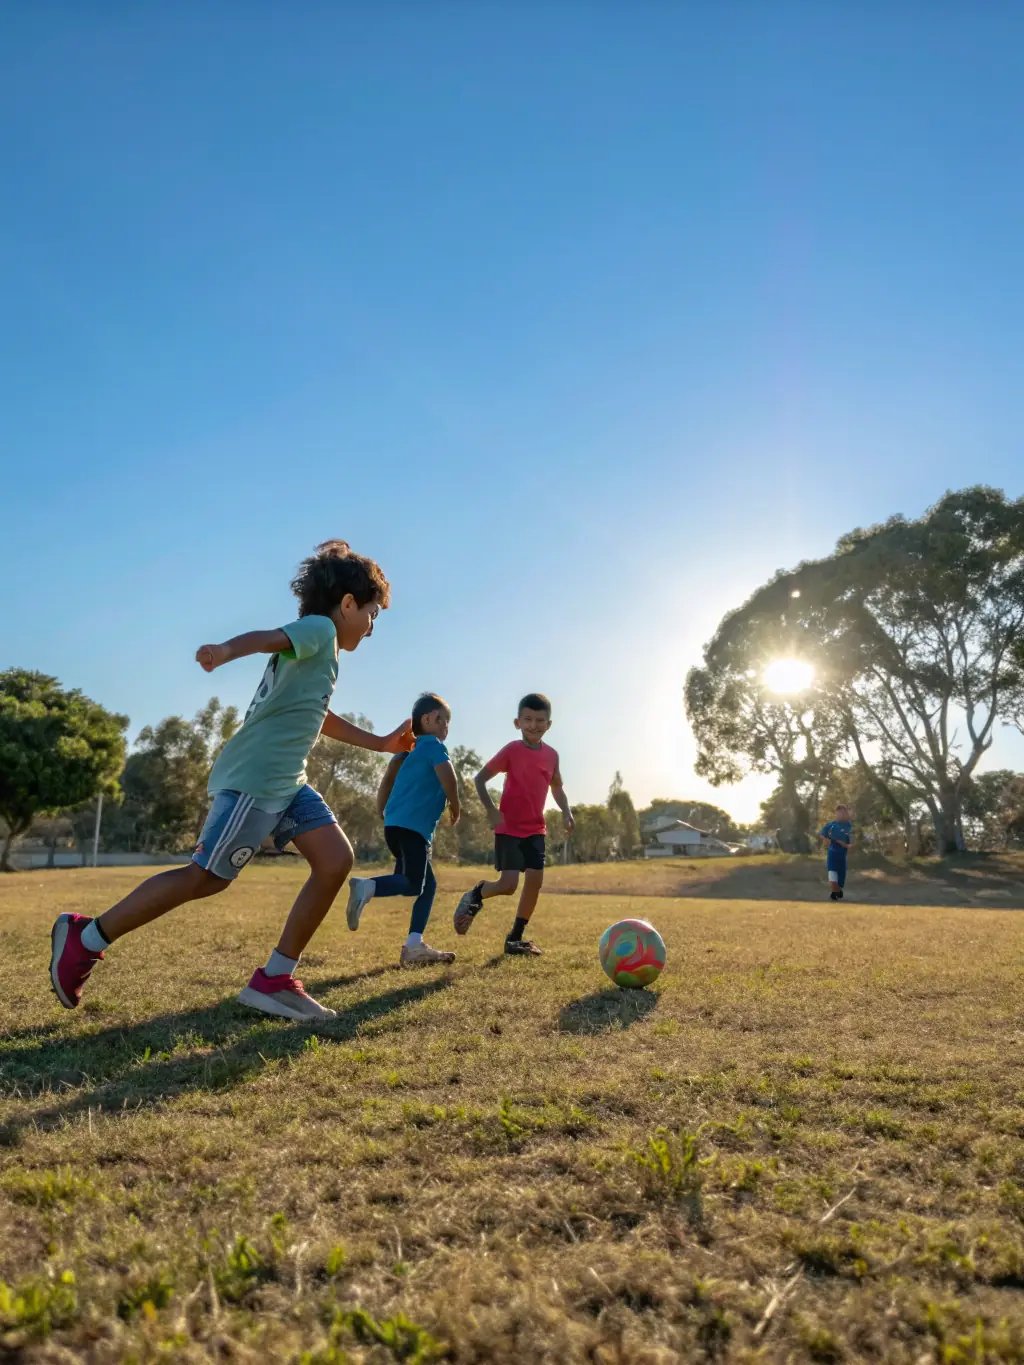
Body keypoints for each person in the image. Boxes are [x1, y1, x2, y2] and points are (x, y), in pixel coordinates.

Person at [49, 540, 413, 1022]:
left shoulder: (321, 652)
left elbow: (317, 715)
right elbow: (267, 636)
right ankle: (86, 938)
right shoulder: (320, 631)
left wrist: (380, 744)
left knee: (335, 860)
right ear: (348, 604)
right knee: (204, 878)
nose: (371, 628)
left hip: (287, 782)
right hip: (256, 781)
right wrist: (224, 650)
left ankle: (275, 979)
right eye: (371, 614)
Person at [452, 693, 573, 956]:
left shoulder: (552, 756)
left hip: (535, 828)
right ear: (517, 722)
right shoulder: (511, 750)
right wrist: (491, 810)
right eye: (527, 719)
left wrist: (566, 811)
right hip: (508, 827)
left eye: (540, 720)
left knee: (535, 880)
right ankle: (476, 894)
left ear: (548, 724)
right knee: (508, 885)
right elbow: (480, 779)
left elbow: (558, 788)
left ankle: (515, 938)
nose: (533, 725)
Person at [345, 693, 460, 967]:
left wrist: (381, 808)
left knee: (427, 885)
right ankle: (367, 886)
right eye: (444, 721)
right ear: (429, 719)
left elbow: (387, 779)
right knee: (412, 885)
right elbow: (448, 773)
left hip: (394, 826)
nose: (447, 728)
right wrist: (455, 804)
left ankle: (414, 945)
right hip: (413, 830)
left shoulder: (406, 754)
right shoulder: (433, 746)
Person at [820, 804, 853, 900]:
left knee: (840, 881)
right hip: (832, 854)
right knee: (832, 876)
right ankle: (836, 891)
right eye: (839, 813)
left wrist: (845, 845)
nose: (841, 815)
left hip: (842, 856)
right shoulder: (830, 825)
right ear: (836, 813)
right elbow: (823, 835)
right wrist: (826, 840)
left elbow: (852, 842)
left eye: (843, 813)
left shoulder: (849, 826)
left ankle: (836, 892)